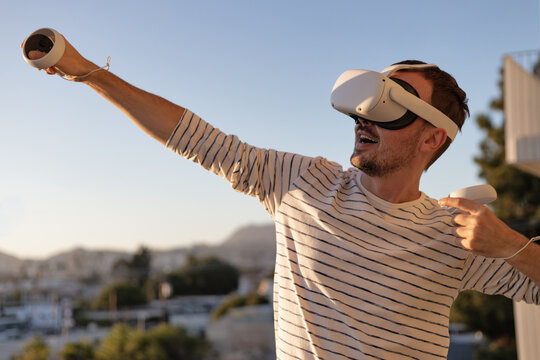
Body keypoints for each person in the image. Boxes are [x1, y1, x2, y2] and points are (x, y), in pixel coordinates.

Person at [26, 34, 539, 360]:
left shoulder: (457, 235)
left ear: (432, 139)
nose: (364, 118)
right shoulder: (302, 182)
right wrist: (89, 71)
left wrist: (514, 245)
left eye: (390, 107)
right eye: (367, 102)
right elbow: (195, 136)